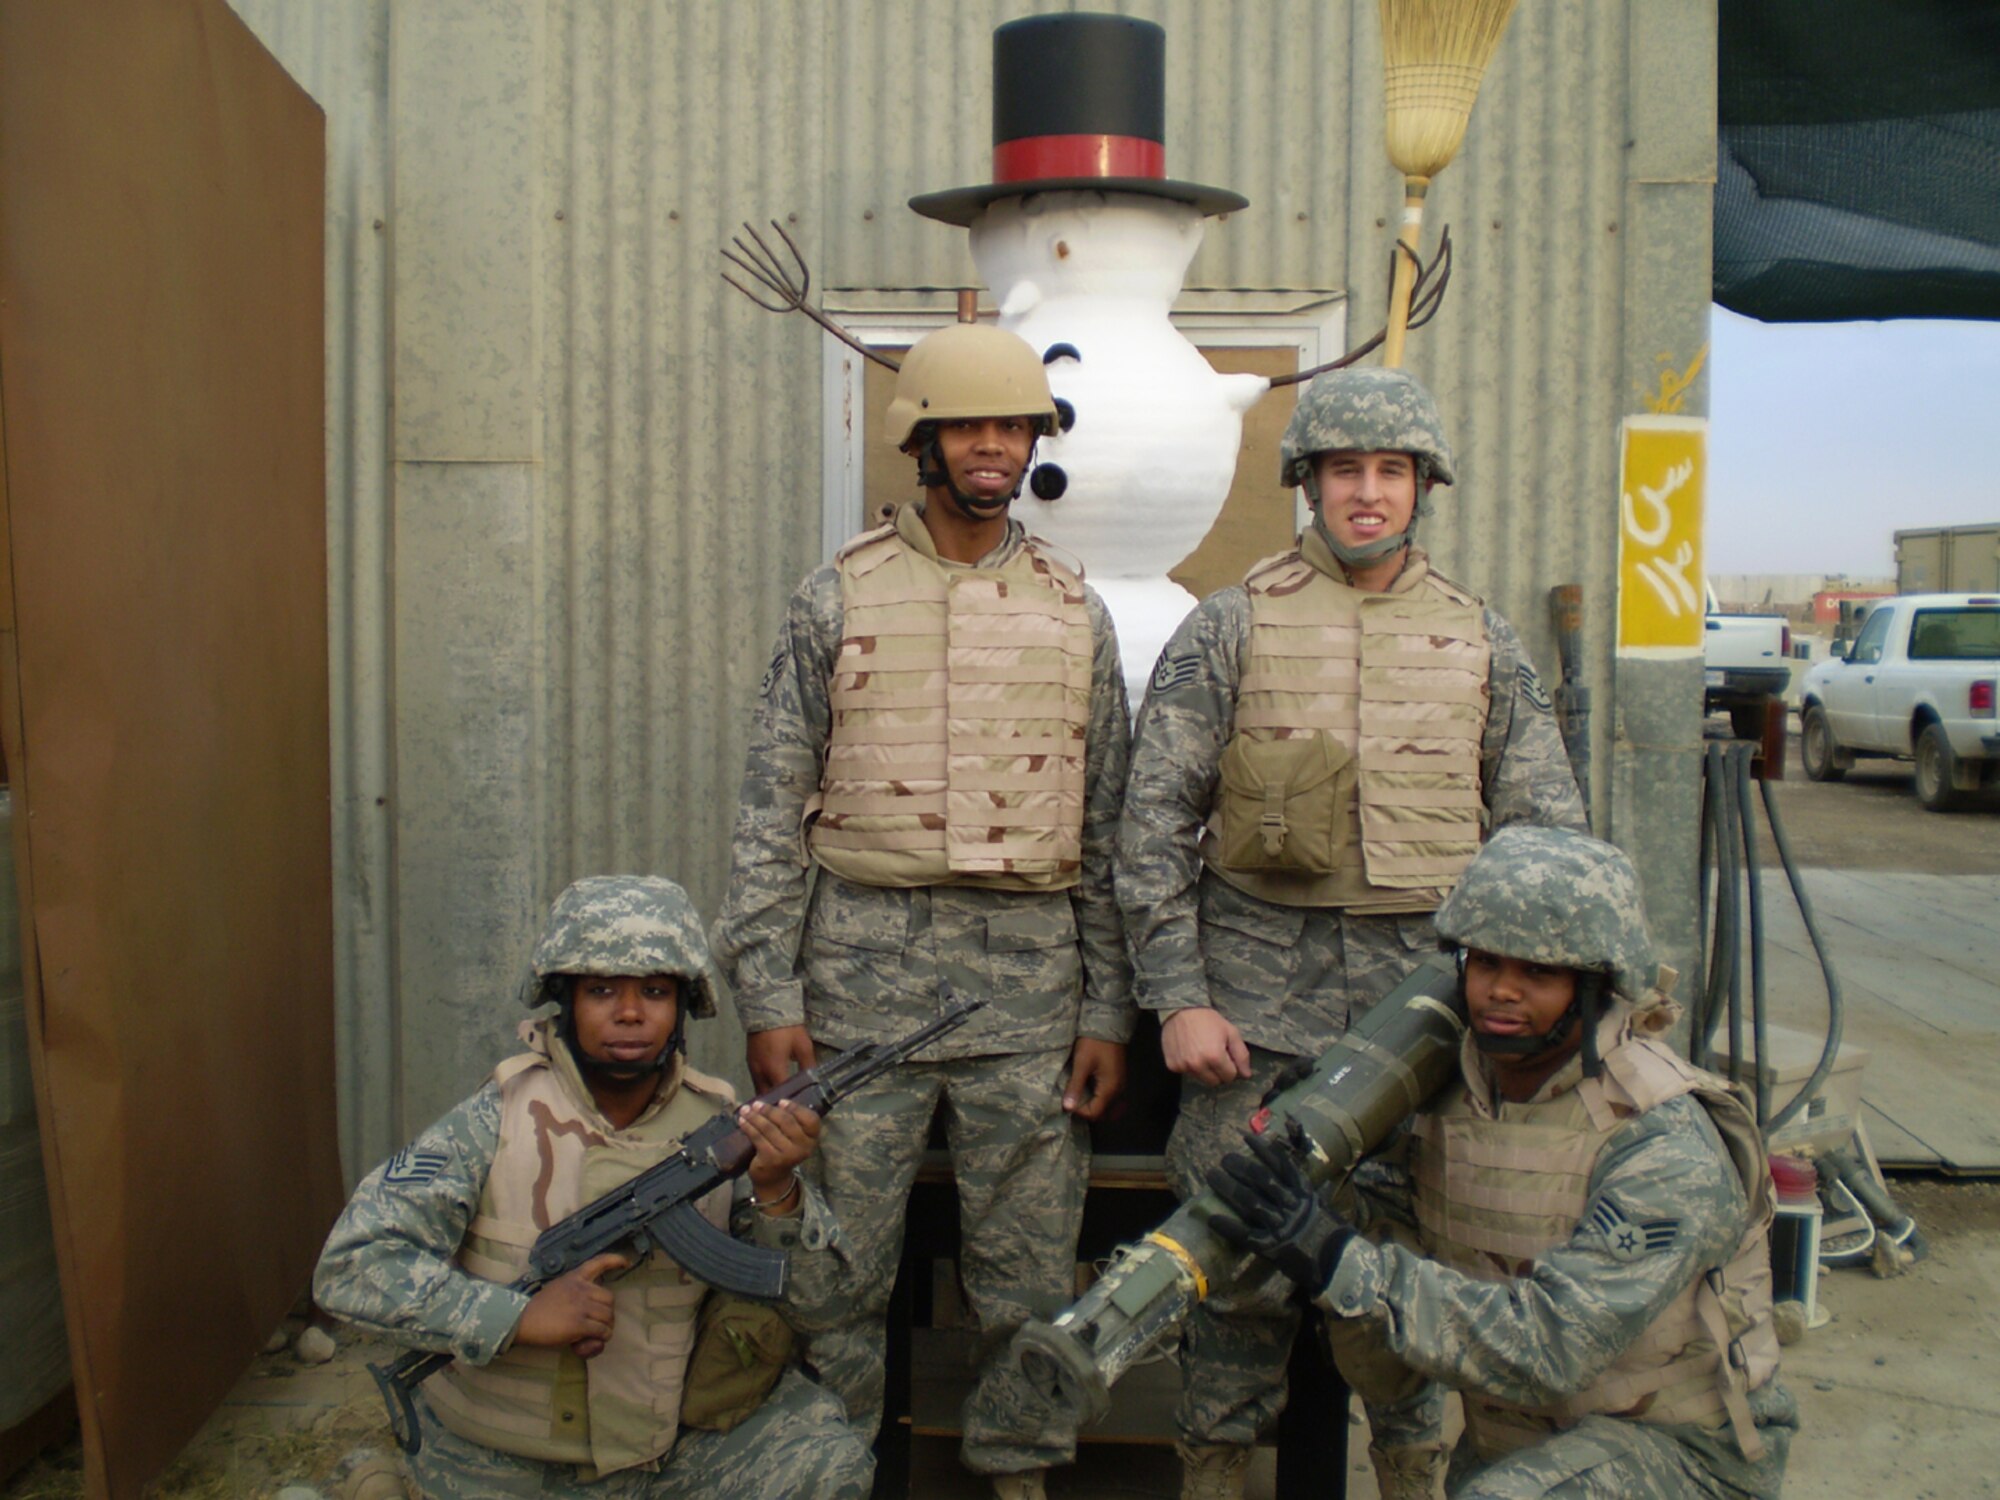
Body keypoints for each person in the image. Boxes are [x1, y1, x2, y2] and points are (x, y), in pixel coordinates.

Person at [1114, 365, 1588, 1498]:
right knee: (1226, 1288)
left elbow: (1545, 842)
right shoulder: (1230, 627)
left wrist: (1522, 1017)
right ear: (1306, 483)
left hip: (1423, 1025)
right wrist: (1178, 998)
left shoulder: (1478, 639)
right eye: (1342, 471)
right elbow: (1147, 826)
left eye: (1388, 472)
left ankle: (1412, 1481)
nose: (1365, 494)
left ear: (1421, 486)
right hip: (1250, 1023)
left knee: (1409, 1300)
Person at [712, 320, 1133, 1500]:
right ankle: (828, 1470)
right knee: (838, 1276)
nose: (994, 448)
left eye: (1013, 426)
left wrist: (1107, 1011)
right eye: (971, 426)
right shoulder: (835, 599)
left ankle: (1015, 1476)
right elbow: (768, 813)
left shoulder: (1071, 610)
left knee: (1027, 1281)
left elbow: (1105, 833)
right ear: (925, 442)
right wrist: (768, 993)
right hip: (855, 996)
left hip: (1026, 1006)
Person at [1206, 826, 1796, 1498]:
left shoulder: (1662, 1140)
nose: (1501, 992)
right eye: (1486, 964)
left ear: (1598, 985)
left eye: (1538, 972)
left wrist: (1335, 1258)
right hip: (1524, 1449)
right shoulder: (1454, 1095)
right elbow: (1395, 1288)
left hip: (1684, 1457)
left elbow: (1552, 1346)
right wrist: (1323, 1186)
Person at [314, 876, 873, 1500]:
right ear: (565, 999)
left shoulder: (723, 1130)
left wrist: (777, 1189)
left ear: (683, 1005)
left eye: (655, 991)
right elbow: (351, 1267)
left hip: (664, 1451)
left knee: (828, 1467)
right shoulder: (493, 1120)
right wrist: (517, 1316)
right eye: (601, 989)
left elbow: (824, 1308)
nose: (630, 1012)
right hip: (504, 1462)